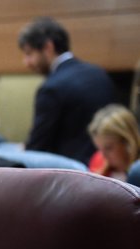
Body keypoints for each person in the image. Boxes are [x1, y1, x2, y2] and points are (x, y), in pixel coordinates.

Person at [18, 16, 115, 165]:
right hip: (106, 167)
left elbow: (36, 149)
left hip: (71, 175)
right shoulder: (99, 73)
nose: (26, 63)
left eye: (29, 54)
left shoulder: (51, 88)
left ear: (48, 47)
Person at [87, 104, 140, 181]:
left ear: (128, 142)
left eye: (108, 148)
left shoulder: (137, 171)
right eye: (99, 148)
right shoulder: (98, 161)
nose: (103, 155)